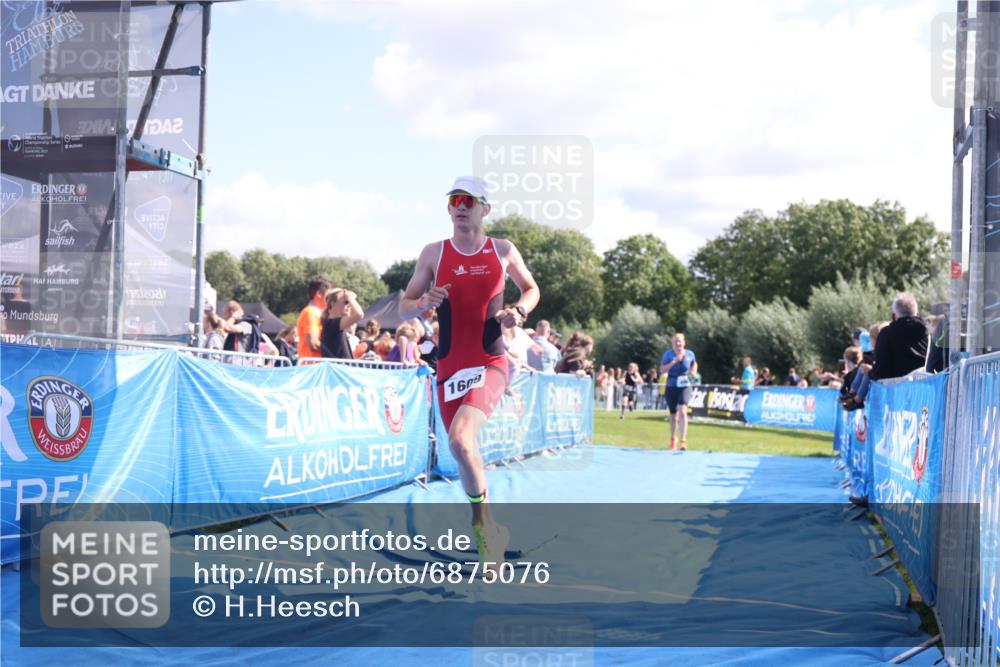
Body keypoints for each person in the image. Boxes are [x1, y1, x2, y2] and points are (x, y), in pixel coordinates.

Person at [398, 175, 540, 568]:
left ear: (485, 208)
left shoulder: (502, 250)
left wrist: (519, 311)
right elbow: (404, 307)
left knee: (461, 440)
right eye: (454, 200)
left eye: (469, 201)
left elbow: (531, 289)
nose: (460, 207)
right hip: (448, 368)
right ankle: (492, 526)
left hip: (489, 361)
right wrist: (422, 301)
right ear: (449, 208)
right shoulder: (433, 253)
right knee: (462, 451)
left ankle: (482, 529)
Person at [870, 293, 928, 381]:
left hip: (896, 387)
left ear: (893, 316)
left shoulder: (886, 334)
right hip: (926, 385)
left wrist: (869, 373)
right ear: (917, 313)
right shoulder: (929, 332)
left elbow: (880, 372)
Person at [660, 332, 698, 450]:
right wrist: (674, 361)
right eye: (675, 341)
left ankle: (683, 441)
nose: (678, 343)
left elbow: (694, 364)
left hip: (685, 385)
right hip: (671, 385)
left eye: (680, 341)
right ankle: (673, 438)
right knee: (673, 414)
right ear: (672, 343)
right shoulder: (668, 354)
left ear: (684, 342)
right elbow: (662, 369)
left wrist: (693, 372)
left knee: (682, 411)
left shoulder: (690, 353)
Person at [320, 288, 364, 359]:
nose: (349, 305)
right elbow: (359, 314)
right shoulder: (330, 325)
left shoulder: (332, 324)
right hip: (336, 366)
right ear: (333, 304)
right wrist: (351, 298)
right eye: (346, 302)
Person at [297, 275, 333, 361]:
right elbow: (313, 344)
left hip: (318, 365)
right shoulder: (310, 313)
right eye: (329, 295)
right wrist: (334, 354)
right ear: (319, 294)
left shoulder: (318, 313)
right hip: (311, 366)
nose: (332, 299)